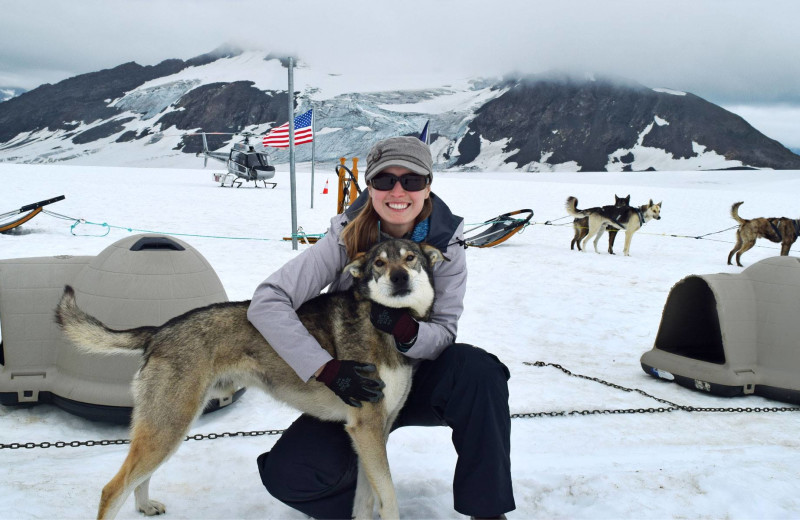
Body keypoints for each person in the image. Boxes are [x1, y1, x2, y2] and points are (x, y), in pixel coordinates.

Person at [247, 136, 515, 519]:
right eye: (385, 181)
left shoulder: (447, 248)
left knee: (479, 372)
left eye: (412, 180)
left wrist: (410, 333)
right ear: (370, 187)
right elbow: (270, 299)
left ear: (428, 185)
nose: (398, 191)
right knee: (289, 476)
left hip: (418, 377)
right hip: (355, 382)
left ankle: (487, 509)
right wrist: (325, 367)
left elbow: (445, 330)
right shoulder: (344, 236)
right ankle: (360, 504)